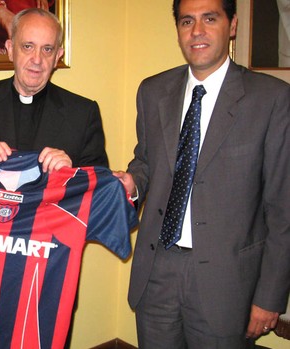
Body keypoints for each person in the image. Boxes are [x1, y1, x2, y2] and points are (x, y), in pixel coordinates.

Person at [114, 0, 290, 347]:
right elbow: (146, 162)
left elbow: (284, 207)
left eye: (210, 19)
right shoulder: (152, 91)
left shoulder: (271, 99)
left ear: (233, 25)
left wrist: (270, 296)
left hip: (227, 282)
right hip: (157, 271)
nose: (197, 32)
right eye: (186, 21)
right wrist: (133, 183)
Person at [0, 7, 109, 172]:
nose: (37, 59)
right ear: (10, 50)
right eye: (27, 47)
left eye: (47, 49)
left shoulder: (83, 113)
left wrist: (73, 173)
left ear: (57, 57)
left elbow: (99, 187)